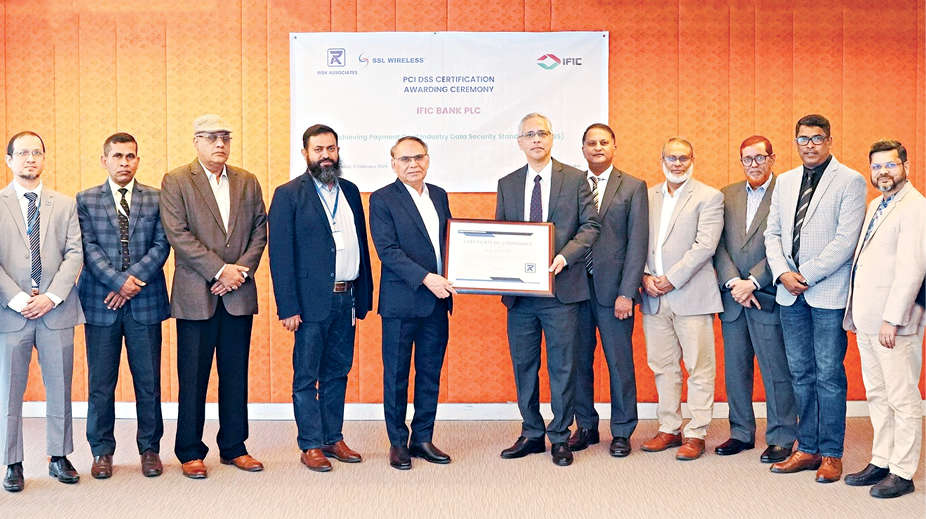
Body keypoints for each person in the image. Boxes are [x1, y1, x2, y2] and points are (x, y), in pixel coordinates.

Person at [160, 114, 268, 479]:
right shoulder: (177, 180)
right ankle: (190, 450)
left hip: (238, 294)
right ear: (196, 142)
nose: (220, 144)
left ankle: (235, 447)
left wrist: (240, 272)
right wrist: (220, 271)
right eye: (211, 137)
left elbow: (259, 231)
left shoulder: (247, 181)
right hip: (196, 296)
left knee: (236, 375)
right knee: (193, 378)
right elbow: (178, 234)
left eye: (225, 137)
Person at [764, 114, 866, 483]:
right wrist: (782, 273)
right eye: (803, 139)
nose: (810, 145)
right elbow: (772, 234)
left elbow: (845, 240)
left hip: (826, 293)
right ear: (796, 142)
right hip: (788, 293)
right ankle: (807, 448)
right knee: (800, 373)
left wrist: (805, 275)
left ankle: (831, 453)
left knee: (829, 375)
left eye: (817, 138)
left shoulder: (850, 180)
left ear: (829, 141)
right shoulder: (786, 181)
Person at [495, 112, 600, 467]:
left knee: (562, 366)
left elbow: (590, 226)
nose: (536, 139)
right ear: (520, 142)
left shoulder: (575, 179)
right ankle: (531, 432)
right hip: (521, 295)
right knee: (524, 365)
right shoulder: (507, 183)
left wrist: (565, 256)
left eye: (542, 133)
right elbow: (500, 233)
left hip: (562, 291)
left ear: (552, 138)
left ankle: (559, 436)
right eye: (529, 134)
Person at [268, 124, 373, 472]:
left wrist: (364, 294)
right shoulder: (288, 194)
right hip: (310, 303)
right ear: (305, 154)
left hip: (346, 298)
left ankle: (332, 437)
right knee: (306, 376)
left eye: (331, 149)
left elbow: (360, 244)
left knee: (338, 372)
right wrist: (288, 307)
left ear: (338, 151)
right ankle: (311, 444)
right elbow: (280, 255)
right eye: (318, 150)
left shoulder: (351, 191)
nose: (326, 156)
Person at [76, 133, 170, 479]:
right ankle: (101, 450)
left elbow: (162, 245)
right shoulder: (85, 199)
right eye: (117, 156)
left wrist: (131, 282)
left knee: (149, 381)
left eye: (130, 156)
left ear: (138, 161)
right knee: (101, 383)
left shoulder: (156, 198)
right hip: (101, 302)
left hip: (145, 301)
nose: (124, 162)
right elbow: (87, 248)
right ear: (105, 160)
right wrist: (118, 283)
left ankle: (150, 449)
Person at [0, 131, 84, 492]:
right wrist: (19, 299)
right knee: (9, 391)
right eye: (23, 153)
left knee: (60, 387)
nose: (30, 158)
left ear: (44, 158)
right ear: (9, 160)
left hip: (56, 311)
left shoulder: (64, 204)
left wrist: (51, 297)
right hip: (11, 313)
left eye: (36, 152)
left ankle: (59, 456)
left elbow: (75, 253)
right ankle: (12, 462)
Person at [842, 140, 925, 498]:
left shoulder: (916, 207)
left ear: (906, 166)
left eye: (890, 165)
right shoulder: (877, 204)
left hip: (895, 323)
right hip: (868, 319)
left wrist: (892, 319)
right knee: (878, 394)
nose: (883, 172)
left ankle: (902, 472)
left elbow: (912, 269)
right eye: (876, 167)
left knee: (902, 397)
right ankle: (882, 459)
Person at [369, 136, 454, 470]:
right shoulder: (382, 199)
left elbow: (450, 242)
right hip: (401, 302)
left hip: (437, 302)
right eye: (404, 159)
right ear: (393, 164)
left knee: (430, 373)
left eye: (418, 157)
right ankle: (397, 442)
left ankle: (423, 438)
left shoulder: (440, 195)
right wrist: (426, 278)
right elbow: (387, 251)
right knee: (396, 375)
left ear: (428, 159)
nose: (413, 164)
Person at [713, 135, 797, 463]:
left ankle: (781, 436)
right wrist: (735, 282)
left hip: (767, 294)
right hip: (733, 298)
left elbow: (787, 244)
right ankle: (741, 432)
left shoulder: (787, 193)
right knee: (736, 371)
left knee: (776, 370)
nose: (754, 164)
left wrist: (753, 281)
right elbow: (718, 244)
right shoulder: (727, 195)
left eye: (760, 157)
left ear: (772, 159)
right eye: (747, 159)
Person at [640, 137, 723, 461]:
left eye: (683, 158)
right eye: (671, 158)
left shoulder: (709, 197)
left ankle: (696, 432)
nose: (677, 163)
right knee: (662, 366)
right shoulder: (647, 196)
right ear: (662, 160)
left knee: (699, 367)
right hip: (653, 296)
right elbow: (637, 242)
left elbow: (705, 246)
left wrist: (670, 279)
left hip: (691, 296)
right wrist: (645, 277)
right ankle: (669, 427)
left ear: (692, 160)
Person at [568, 123, 648, 457]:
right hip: (574, 290)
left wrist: (627, 292)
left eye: (604, 142)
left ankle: (622, 431)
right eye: (591, 143)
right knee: (577, 362)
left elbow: (637, 243)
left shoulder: (633, 187)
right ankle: (585, 426)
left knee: (619, 363)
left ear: (614, 146)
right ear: (583, 149)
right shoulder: (571, 184)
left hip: (614, 292)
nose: (598, 147)